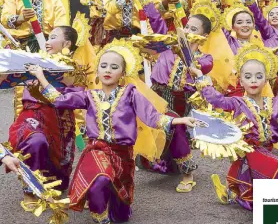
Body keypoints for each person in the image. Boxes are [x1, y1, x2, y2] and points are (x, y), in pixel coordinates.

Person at [27, 40, 201, 224]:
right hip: (97, 150)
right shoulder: (88, 95)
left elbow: (153, 117)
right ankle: (99, 216)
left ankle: (111, 207)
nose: (108, 70)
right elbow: (59, 100)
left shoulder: (131, 94)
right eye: (103, 66)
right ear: (98, 70)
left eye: (114, 67)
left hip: (122, 154)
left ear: (123, 73)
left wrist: (179, 120)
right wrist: (41, 77)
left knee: (121, 213)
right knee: (99, 180)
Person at [189, 43, 278, 211]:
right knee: (275, 166)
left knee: (253, 196)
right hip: (248, 150)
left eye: (258, 76)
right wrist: (200, 77)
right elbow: (216, 99)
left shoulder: (275, 103)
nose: (253, 80)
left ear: (266, 80)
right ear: (241, 81)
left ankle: (234, 195)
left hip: (265, 149)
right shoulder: (237, 102)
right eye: (248, 76)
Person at [8, 26, 83, 210]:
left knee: (59, 181)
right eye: (48, 37)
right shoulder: (34, 62)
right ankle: (30, 189)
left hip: (60, 118)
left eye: (54, 37)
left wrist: (42, 78)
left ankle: (48, 182)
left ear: (67, 44)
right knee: (35, 141)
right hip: (33, 114)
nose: (48, 41)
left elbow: (66, 98)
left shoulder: (72, 68)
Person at [139, 13, 214, 193]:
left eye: (193, 29)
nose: (187, 30)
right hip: (157, 95)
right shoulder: (168, 46)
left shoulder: (206, 59)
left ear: (203, 37)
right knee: (159, 128)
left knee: (177, 130)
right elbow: (155, 17)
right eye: (187, 26)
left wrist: (185, 49)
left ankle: (188, 173)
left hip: (182, 100)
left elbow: (194, 66)